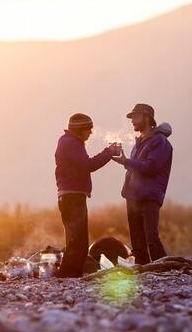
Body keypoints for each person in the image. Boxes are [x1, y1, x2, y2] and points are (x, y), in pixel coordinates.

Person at [54, 113, 120, 277]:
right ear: (80, 129)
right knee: (77, 241)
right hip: (73, 197)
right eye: (88, 129)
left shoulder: (70, 142)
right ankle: (66, 276)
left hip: (71, 196)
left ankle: (71, 275)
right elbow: (88, 165)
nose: (91, 132)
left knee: (77, 241)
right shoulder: (70, 143)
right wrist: (109, 152)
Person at [111, 103, 173, 265]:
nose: (132, 121)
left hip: (149, 197)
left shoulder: (160, 142)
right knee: (137, 242)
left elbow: (151, 167)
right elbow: (135, 169)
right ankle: (144, 271)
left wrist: (127, 161)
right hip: (133, 198)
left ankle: (165, 269)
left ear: (147, 118)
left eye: (135, 117)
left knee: (151, 238)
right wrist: (126, 163)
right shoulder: (140, 143)